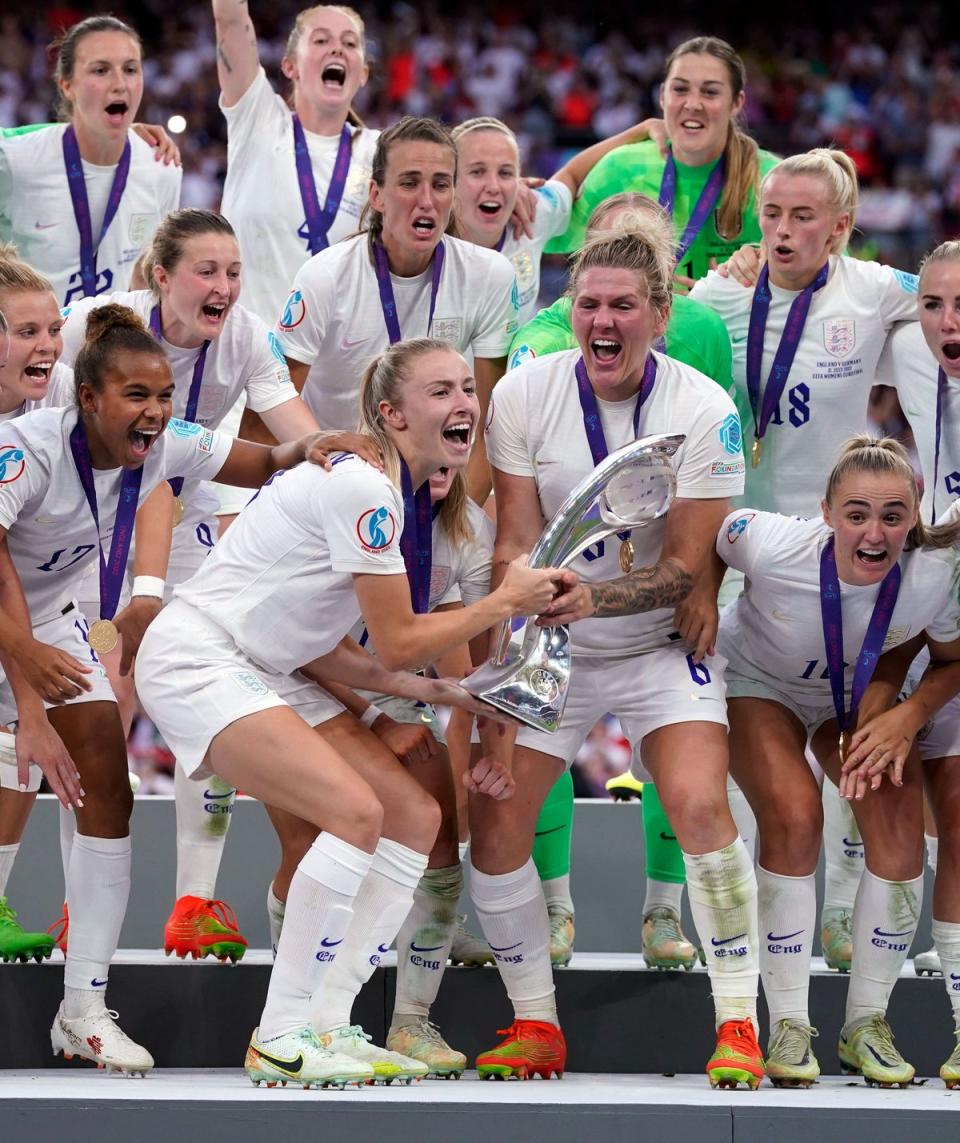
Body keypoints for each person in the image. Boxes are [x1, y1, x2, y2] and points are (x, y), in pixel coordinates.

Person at [134, 336, 563, 1089]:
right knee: (356, 812)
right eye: (440, 391)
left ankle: (331, 1020)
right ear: (392, 415)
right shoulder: (365, 488)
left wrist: (444, 693)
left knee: (412, 815)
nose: (463, 402)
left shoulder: (387, 490)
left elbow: (324, 644)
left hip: (274, 662)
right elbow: (399, 639)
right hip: (198, 658)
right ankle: (279, 1032)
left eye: (468, 387)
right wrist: (504, 603)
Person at [0, 303, 347, 1076]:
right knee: (20, 765)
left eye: (161, 395)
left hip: (52, 623)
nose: (155, 411)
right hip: (9, 622)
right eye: (136, 396)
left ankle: (82, 1010)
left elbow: (259, 461)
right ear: (88, 397)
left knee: (105, 779)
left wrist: (314, 446)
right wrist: (26, 696)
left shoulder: (164, 445)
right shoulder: (20, 452)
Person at [481, 220, 761, 1089]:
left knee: (697, 803)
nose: (604, 321)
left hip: (655, 644)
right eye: (589, 304)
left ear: (661, 313)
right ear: (572, 311)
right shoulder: (524, 394)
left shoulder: (702, 409)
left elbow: (685, 572)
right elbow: (515, 543)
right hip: (550, 643)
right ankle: (535, 1023)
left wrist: (592, 597)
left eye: (623, 306)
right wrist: (512, 644)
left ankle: (739, 1024)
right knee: (494, 826)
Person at [57, 209, 360, 964]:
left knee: (211, 691)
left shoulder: (246, 335)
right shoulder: (89, 328)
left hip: (189, 514)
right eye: (206, 271)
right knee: (105, 706)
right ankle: (74, 910)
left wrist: (345, 457)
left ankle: (194, 898)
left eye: (233, 271)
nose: (224, 286)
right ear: (162, 277)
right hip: (82, 520)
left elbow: (292, 431)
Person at [690, 147, 922, 972]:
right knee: (748, 765)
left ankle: (836, 920)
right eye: (771, 216)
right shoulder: (718, 297)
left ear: (843, 226)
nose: (782, 231)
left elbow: (943, 302)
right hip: (741, 550)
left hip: (843, 547)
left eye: (801, 217)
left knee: (848, 740)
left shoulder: (875, 291)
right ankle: (745, 939)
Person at [716, 437, 960, 1088]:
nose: (874, 532)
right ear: (824, 512)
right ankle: (790, 1022)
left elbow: (951, 659)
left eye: (891, 514)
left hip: (856, 693)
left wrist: (906, 720)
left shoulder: (934, 569)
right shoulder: (768, 541)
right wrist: (695, 612)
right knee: (794, 809)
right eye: (856, 514)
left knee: (898, 819)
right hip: (759, 682)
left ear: (915, 515)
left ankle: (865, 1023)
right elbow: (708, 534)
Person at [265, 463, 499, 1077]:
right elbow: (298, 644)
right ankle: (292, 1017)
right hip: (293, 683)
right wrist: (375, 720)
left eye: (460, 448)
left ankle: (407, 1021)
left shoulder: (467, 529)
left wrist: (468, 759)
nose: (447, 465)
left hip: (399, 692)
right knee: (308, 843)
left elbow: (460, 660)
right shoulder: (347, 502)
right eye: (438, 395)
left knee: (437, 835)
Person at [275, 116, 518, 503]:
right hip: (332, 483)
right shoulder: (326, 277)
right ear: (376, 195)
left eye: (440, 184)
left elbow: (492, 422)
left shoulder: (489, 275)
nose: (426, 200)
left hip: (437, 493)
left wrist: (455, 518)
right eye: (409, 183)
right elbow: (272, 399)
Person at [546, 36, 778, 287]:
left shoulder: (771, 180)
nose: (692, 103)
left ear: (737, 103)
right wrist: (635, 133)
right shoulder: (623, 169)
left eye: (710, 92)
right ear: (661, 96)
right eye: (680, 89)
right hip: (646, 326)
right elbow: (547, 231)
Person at [213, 0, 379, 325]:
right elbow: (229, 19)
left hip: (338, 362)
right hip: (249, 357)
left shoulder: (381, 152)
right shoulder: (258, 121)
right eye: (321, 40)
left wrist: (511, 185)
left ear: (362, 74)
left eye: (349, 43)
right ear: (290, 66)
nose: (337, 50)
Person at [0, 16, 181, 306]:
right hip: (32, 348)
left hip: (113, 347)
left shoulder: (162, 167)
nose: (120, 84)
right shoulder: (15, 161)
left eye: (131, 69)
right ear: (67, 86)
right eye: (101, 70)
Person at [0, 254, 69, 965]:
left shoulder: (61, 398)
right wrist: (30, 701)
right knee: (21, 725)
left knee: (15, 740)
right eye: (28, 330)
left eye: (54, 327)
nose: (48, 344)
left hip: (31, 595)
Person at [452, 117, 668, 325]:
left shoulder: (533, 212)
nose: (494, 186)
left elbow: (572, 175)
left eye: (505, 173)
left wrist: (641, 129)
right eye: (477, 172)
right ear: (449, 179)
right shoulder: (425, 244)